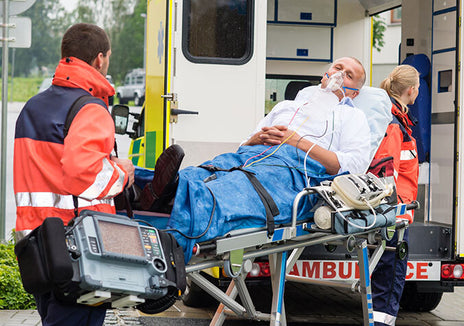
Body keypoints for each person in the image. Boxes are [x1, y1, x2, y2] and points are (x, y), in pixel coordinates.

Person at [163, 57, 371, 262]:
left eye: (349, 75)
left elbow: (353, 165)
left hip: (292, 170)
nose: (340, 74)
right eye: (338, 67)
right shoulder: (286, 106)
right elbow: (244, 144)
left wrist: (297, 142)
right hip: (251, 155)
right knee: (208, 170)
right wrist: (256, 138)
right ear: (326, 72)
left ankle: (178, 213)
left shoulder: (351, 116)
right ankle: (157, 190)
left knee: (234, 186)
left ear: (355, 92)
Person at [14, 23, 135, 326]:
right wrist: (123, 173)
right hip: (79, 249)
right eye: (108, 57)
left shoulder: (32, 108)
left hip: (37, 248)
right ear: (99, 59)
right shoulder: (91, 109)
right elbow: (82, 172)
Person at [370, 64, 420, 326]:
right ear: (411, 90)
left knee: (385, 279)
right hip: (393, 216)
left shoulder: (395, 118)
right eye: (418, 88)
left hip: (394, 213)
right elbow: (384, 171)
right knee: (388, 281)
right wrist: (392, 215)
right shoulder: (394, 123)